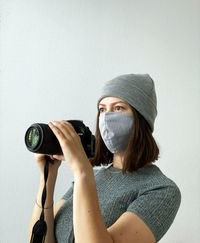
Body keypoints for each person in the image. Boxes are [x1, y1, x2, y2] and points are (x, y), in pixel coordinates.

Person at [28, 73, 181, 243]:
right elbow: (39, 240)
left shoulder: (161, 190)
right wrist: (47, 176)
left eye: (118, 108)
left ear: (141, 119)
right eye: (102, 109)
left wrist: (81, 169)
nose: (107, 117)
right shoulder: (91, 176)